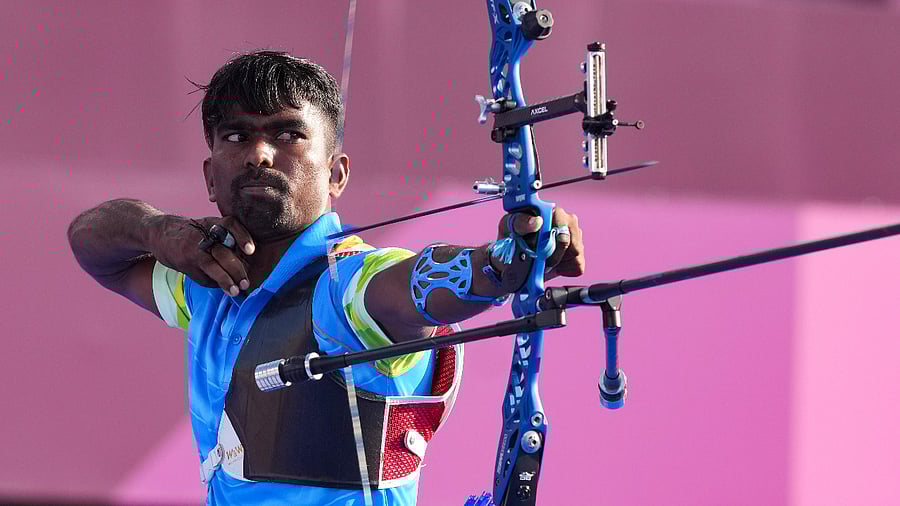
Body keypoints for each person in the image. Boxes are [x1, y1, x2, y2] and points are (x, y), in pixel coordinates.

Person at [67, 50, 585, 505]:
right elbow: (93, 246)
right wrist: (155, 229)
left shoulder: (349, 285)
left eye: (288, 134)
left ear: (336, 173)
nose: (259, 153)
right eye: (237, 135)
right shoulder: (207, 284)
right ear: (209, 176)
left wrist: (502, 263)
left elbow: (415, 288)